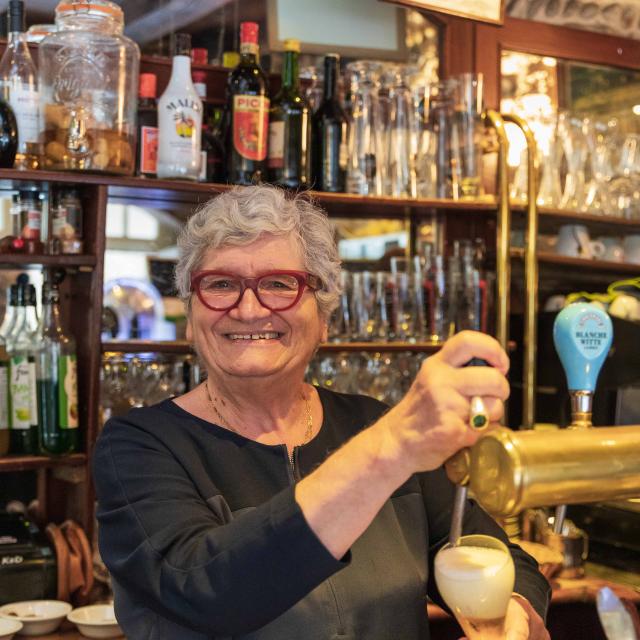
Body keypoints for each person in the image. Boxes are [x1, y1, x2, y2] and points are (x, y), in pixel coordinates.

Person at [94, 185, 551, 640]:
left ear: (324, 317)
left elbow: (498, 556)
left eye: (279, 284)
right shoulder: (139, 446)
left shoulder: (372, 423)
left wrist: (510, 615)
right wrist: (390, 448)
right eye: (220, 284)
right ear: (191, 318)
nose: (249, 308)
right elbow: (206, 590)